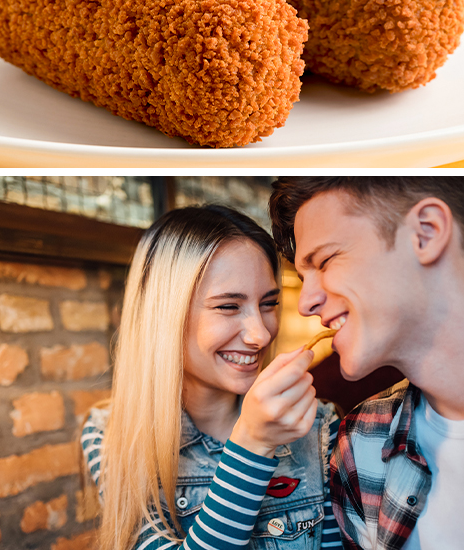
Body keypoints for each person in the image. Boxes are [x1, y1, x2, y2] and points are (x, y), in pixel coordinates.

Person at [269, 177, 464, 550]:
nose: (304, 302)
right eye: (302, 276)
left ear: (425, 233)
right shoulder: (358, 445)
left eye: (324, 261)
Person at [83, 205, 342, 550]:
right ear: (165, 315)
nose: (260, 335)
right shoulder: (111, 436)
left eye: (268, 303)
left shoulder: (321, 427)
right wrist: (253, 443)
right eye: (228, 306)